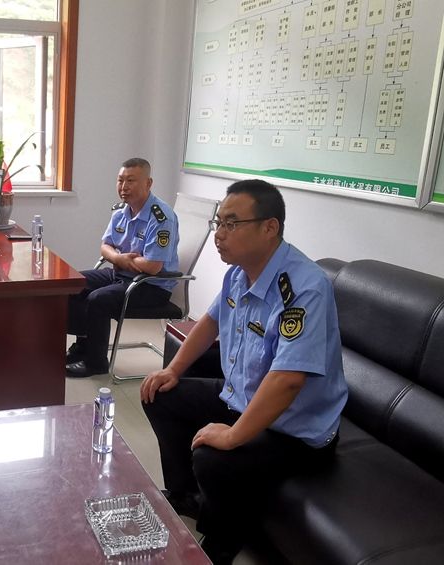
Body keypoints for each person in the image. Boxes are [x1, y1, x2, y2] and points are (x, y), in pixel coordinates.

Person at [139, 179, 348, 564]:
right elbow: (209, 322)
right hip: (244, 398)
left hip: (294, 430)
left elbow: (288, 380)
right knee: (159, 394)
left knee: (212, 459)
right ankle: (186, 495)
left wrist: (233, 435)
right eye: (218, 222)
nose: (219, 234)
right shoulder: (239, 272)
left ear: (270, 227)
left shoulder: (304, 288)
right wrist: (173, 369)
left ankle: (221, 543)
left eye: (231, 223)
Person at [65, 158, 180, 377]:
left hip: (152, 286)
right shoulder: (120, 212)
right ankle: (83, 346)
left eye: (131, 180)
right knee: (73, 283)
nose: (124, 186)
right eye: (120, 180)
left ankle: (96, 363)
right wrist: (120, 259)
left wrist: (122, 261)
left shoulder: (161, 217)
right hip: (123, 274)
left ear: (148, 183)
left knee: (98, 299)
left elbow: (153, 267)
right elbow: (105, 247)